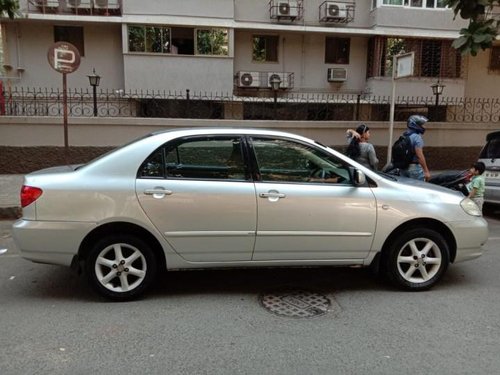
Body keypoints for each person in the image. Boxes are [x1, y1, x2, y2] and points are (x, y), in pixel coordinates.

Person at [400, 114, 431, 181]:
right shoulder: (417, 137)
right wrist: (426, 170)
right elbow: (419, 155)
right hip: (414, 168)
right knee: (419, 189)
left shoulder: (404, 135)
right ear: (415, 125)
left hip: (403, 168)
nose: (424, 127)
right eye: (421, 125)